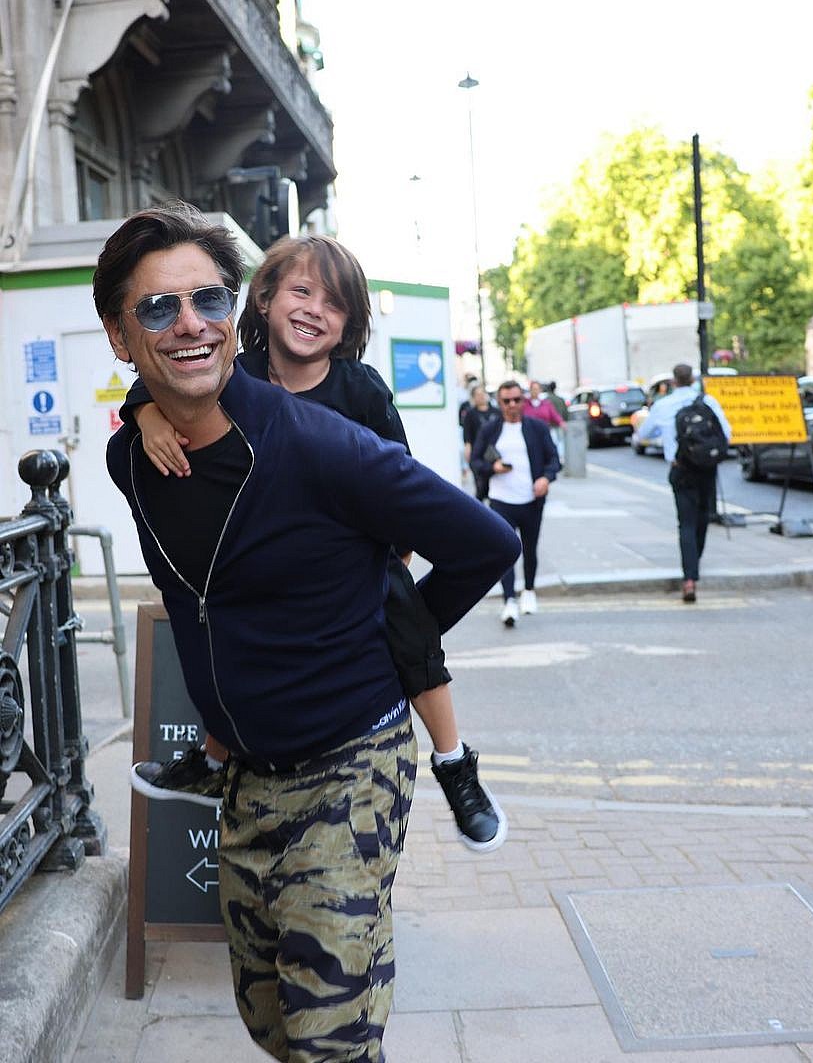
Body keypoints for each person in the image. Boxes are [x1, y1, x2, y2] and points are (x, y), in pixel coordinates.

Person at [95, 203, 520, 1062]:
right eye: (156, 309)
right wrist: (143, 407)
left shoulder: (329, 445)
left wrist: (377, 641)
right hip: (247, 775)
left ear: (230, 311)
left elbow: (488, 542)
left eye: (206, 302)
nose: (189, 325)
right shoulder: (134, 457)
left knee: (330, 1037)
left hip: (351, 761)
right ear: (118, 335)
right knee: (272, 1022)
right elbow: (172, 383)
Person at [123, 234, 510, 854]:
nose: (313, 311)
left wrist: (383, 589)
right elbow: (164, 380)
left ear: (350, 325)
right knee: (227, 636)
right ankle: (211, 754)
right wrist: (145, 415)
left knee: (408, 627)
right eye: (301, 291)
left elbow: (405, 491)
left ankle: (453, 760)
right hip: (265, 560)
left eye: (334, 305)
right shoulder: (234, 374)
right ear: (265, 298)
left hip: (364, 557)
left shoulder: (360, 390)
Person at [636, 363, 731, 603]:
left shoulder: (663, 405)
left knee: (685, 524)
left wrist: (665, 434)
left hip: (681, 469)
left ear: (673, 382)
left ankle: (689, 579)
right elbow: (726, 433)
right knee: (702, 520)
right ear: (692, 380)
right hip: (707, 469)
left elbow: (644, 434)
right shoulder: (708, 402)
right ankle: (694, 565)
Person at [471, 380, 560, 626]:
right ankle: (509, 600)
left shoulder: (537, 428)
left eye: (516, 400)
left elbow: (554, 459)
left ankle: (529, 591)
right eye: (506, 401)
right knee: (506, 551)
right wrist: (493, 467)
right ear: (499, 403)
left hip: (531, 500)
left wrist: (545, 478)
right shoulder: (490, 430)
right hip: (501, 501)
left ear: (523, 401)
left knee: (530, 549)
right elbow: (476, 461)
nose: (512, 405)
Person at [460, 383, 499, 500]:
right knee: (480, 485)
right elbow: (467, 433)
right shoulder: (471, 414)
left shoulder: (496, 412)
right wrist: (468, 448)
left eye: (483, 394)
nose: (481, 397)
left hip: (494, 453)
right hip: (478, 453)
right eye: (478, 395)